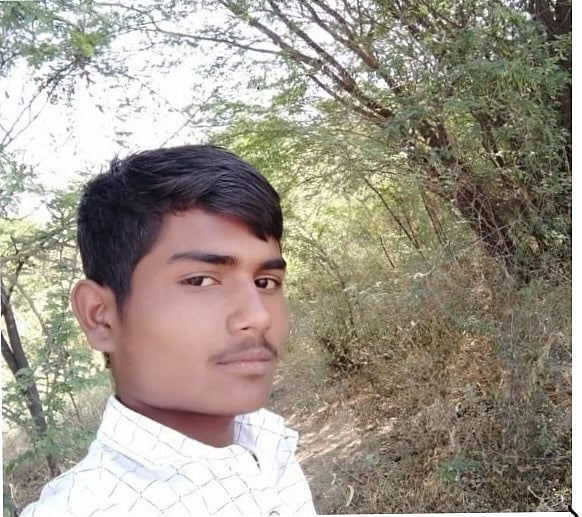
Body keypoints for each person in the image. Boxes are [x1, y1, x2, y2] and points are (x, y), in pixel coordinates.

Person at [21, 145, 317, 516]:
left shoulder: (269, 445)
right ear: (100, 316)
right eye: (200, 280)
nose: (259, 316)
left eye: (265, 282)